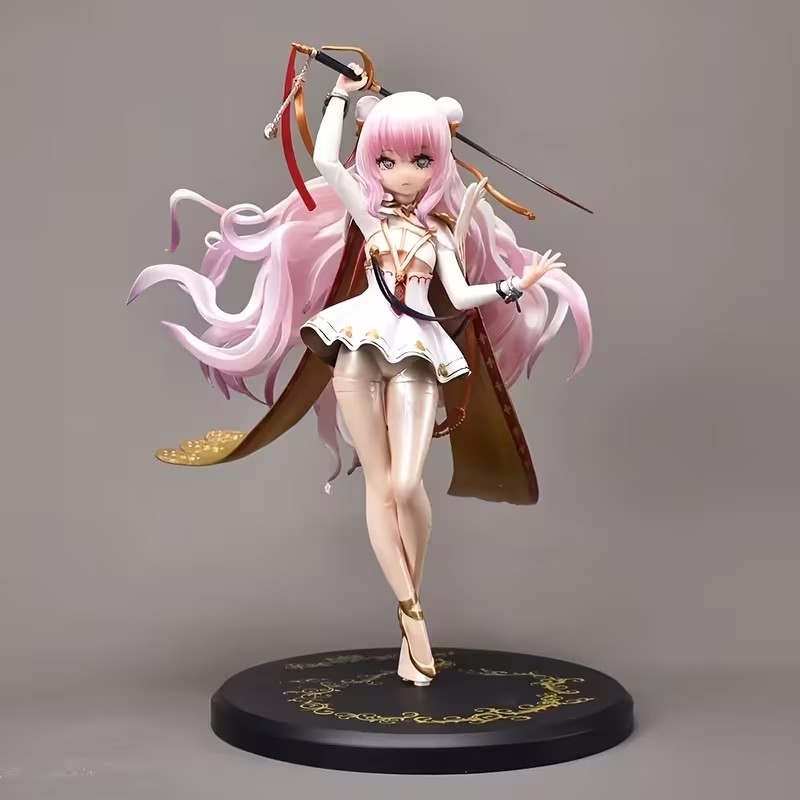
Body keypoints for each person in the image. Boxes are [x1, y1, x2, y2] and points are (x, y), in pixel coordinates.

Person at [127, 64, 592, 686]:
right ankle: (412, 614)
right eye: (388, 161)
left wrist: (516, 284)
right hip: (359, 349)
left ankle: (410, 607)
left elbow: (460, 296)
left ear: (440, 161)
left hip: (418, 351)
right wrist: (339, 98)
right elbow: (325, 160)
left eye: (420, 160)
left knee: (405, 483)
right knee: (379, 484)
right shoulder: (370, 220)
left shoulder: (441, 236)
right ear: (373, 161)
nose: (404, 173)